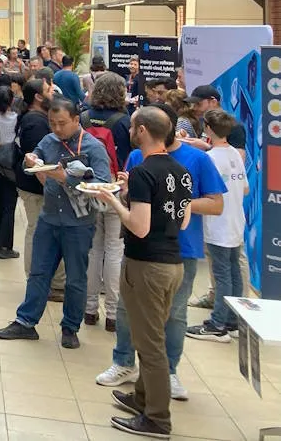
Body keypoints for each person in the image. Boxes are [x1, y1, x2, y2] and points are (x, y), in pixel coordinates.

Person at [95, 104, 225, 401]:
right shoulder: (141, 159)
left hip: (174, 252)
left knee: (170, 319)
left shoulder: (196, 159)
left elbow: (216, 204)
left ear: (146, 129)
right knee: (131, 315)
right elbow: (143, 202)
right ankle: (127, 366)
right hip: (148, 254)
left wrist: (171, 203)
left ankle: (164, 382)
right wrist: (130, 192)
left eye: (133, 126)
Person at [98, 106, 193, 439]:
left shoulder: (142, 170)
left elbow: (138, 227)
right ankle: (141, 397)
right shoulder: (181, 171)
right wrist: (129, 193)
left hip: (146, 266)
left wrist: (113, 201)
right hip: (173, 264)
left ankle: (157, 417)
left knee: (149, 344)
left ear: (140, 130)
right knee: (153, 335)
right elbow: (183, 219)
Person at [0, 99, 111, 349]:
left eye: (62, 124)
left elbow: (102, 185)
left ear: (76, 120)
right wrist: (31, 159)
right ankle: (26, 322)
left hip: (78, 223)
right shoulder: (49, 141)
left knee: (76, 278)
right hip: (49, 217)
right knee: (39, 271)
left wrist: (66, 178)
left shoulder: (94, 147)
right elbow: (36, 154)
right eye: (52, 123)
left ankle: (70, 327)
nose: (57, 129)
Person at [185, 109, 246, 342]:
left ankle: (218, 323)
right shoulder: (234, 155)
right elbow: (245, 187)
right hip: (235, 221)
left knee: (222, 274)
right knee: (233, 272)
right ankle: (232, 320)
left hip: (219, 224)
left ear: (208, 129)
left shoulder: (209, 159)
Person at [83, 73, 132, 331]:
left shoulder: (83, 117)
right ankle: (113, 313)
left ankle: (89, 309)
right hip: (115, 187)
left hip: (88, 186)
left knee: (94, 249)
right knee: (115, 249)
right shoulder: (125, 122)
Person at [13, 79, 56, 284]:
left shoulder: (35, 118)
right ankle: (34, 277)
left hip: (35, 185)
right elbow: (36, 161)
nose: (53, 92)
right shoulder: (36, 123)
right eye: (49, 90)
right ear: (38, 97)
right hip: (35, 187)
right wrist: (48, 184)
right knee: (37, 229)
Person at [0, 86, 20, 260]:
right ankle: (6, 245)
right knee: (9, 206)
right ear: (12, 101)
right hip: (10, 167)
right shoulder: (17, 119)